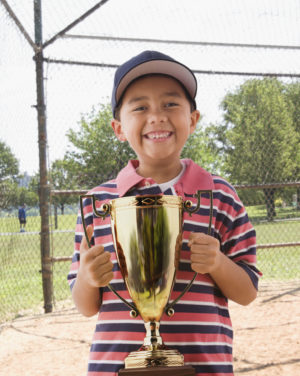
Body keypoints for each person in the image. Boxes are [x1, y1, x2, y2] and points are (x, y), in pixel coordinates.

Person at [68, 50, 262, 376]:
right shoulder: (97, 204)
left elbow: (248, 291)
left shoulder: (221, 197)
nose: (157, 116)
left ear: (193, 119)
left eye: (171, 104)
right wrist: (87, 278)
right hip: (115, 368)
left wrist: (217, 263)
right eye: (140, 107)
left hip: (203, 367)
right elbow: (85, 306)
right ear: (118, 127)